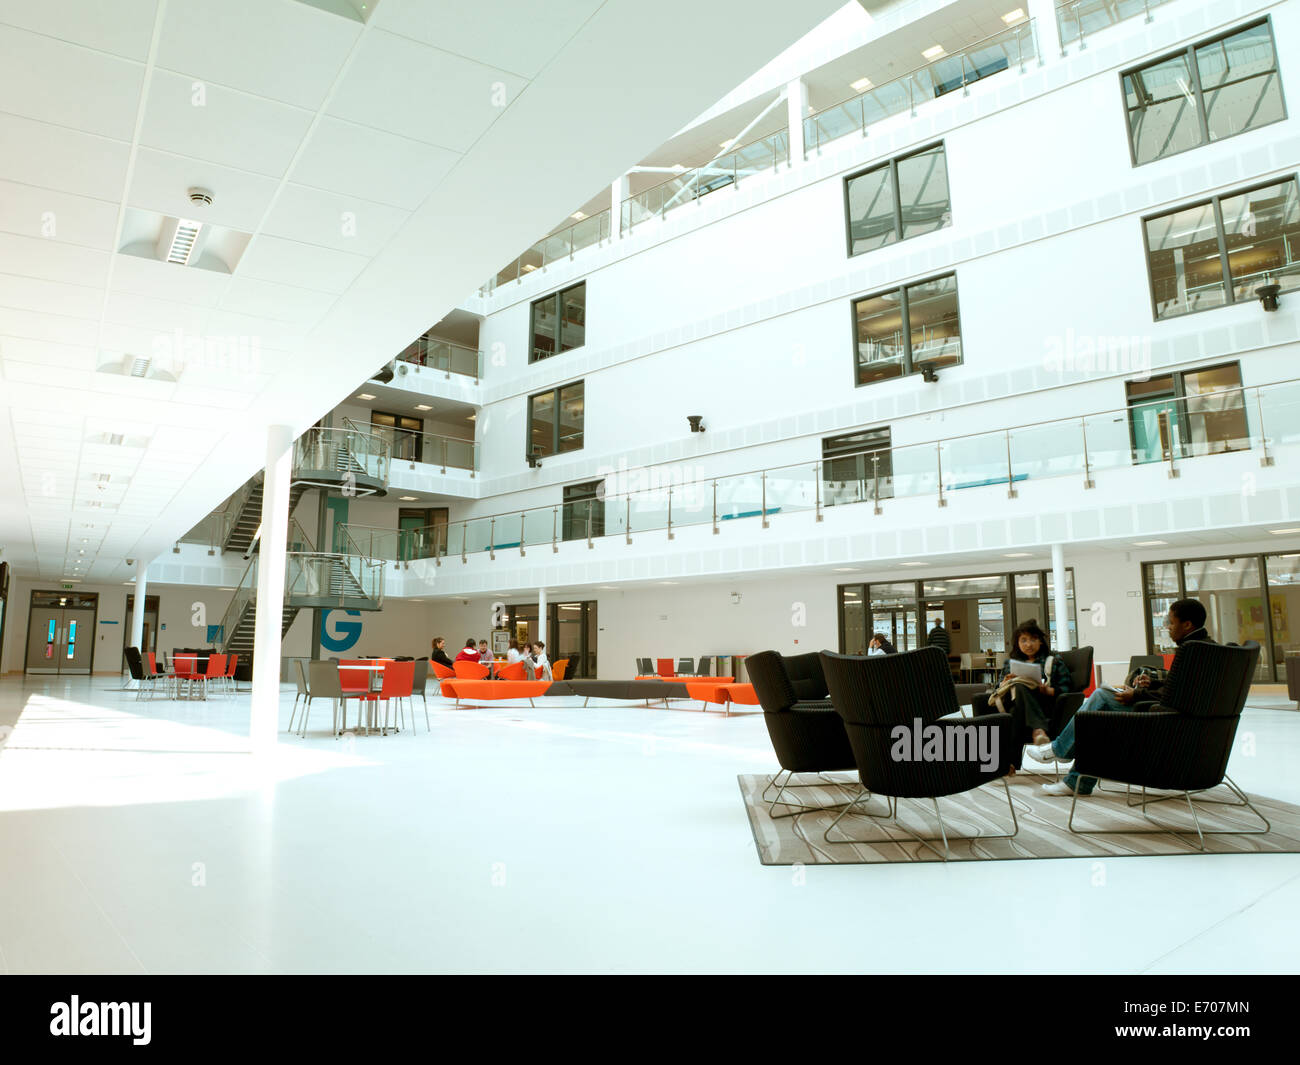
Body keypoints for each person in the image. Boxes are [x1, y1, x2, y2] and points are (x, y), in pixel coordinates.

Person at [1032, 598, 1214, 796]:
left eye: (1171, 622)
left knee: (1101, 699)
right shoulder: (1207, 648)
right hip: (1182, 722)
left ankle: (1060, 752)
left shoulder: (1192, 651)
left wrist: (1137, 694)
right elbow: (1185, 688)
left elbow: (1179, 694)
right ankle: (1074, 777)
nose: (1168, 628)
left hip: (1165, 722)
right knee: (1099, 715)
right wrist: (1153, 683)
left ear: (1187, 625)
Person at [973, 619, 1071, 771]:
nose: (1028, 644)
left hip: (1044, 705)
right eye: (1023, 640)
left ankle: (1009, 765)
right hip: (1012, 703)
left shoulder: (1053, 661)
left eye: (1033, 639)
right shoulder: (1011, 664)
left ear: (1040, 641)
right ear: (1017, 643)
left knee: (1015, 713)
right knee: (1018, 687)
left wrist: (1048, 690)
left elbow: (1067, 689)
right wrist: (1004, 682)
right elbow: (998, 690)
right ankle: (1038, 729)